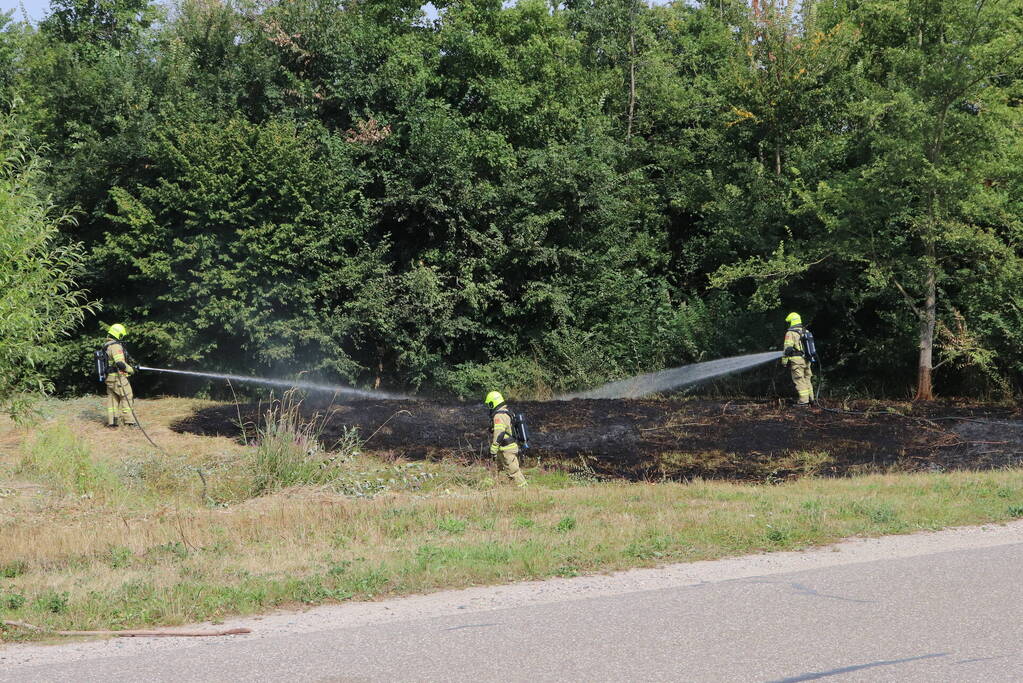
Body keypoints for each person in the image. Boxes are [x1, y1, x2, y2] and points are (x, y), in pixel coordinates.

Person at [484, 391, 527, 487]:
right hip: (502, 448)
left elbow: (499, 433)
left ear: (493, 403)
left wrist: (494, 447)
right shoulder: (506, 412)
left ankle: (524, 490)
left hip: (507, 449)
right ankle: (490, 488)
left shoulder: (499, 415)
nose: (489, 407)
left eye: (489, 404)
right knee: (494, 469)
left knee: (513, 472)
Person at [103, 323, 137, 428]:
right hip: (118, 378)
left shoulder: (107, 345)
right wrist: (131, 370)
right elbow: (120, 363)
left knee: (113, 400)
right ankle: (129, 422)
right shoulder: (116, 346)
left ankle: (112, 422)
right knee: (127, 396)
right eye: (122, 335)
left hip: (109, 378)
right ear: (118, 334)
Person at [781, 312, 814, 406]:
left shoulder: (790, 333)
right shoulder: (805, 331)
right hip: (807, 360)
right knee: (807, 379)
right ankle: (811, 399)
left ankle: (803, 401)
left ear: (792, 321)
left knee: (799, 380)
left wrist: (784, 362)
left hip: (797, 361)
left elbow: (787, 349)